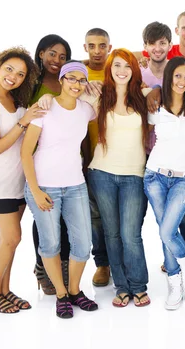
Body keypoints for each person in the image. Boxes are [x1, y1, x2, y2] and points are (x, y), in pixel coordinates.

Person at [22, 61, 98, 319]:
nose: (76, 84)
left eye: (81, 80)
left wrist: (94, 87)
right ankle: (61, 294)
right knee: (51, 243)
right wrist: (35, 190)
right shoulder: (45, 108)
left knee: (82, 244)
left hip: (75, 185)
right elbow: (26, 152)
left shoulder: (86, 110)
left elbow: (105, 98)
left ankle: (75, 290)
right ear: (62, 80)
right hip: (44, 186)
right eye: (71, 79)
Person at [0, 47, 43, 313]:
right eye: (9, 69)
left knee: (9, 240)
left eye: (20, 74)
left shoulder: (15, 99)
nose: (13, 76)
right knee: (11, 237)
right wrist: (24, 122)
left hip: (18, 181)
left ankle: (4, 290)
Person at [85, 49, 151, 307]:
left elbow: (172, 93)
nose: (122, 70)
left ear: (135, 69)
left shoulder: (144, 96)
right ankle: (121, 286)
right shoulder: (98, 96)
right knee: (112, 233)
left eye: (128, 66)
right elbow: (69, 106)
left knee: (130, 234)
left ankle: (138, 285)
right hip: (101, 173)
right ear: (109, 70)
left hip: (134, 175)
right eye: (117, 66)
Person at [144, 56, 185, 309]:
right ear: (168, 78)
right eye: (177, 76)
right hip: (155, 175)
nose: (182, 81)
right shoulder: (156, 105)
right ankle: (174, 284)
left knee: (168, 231)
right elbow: (147, 136)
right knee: (164, 231)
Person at [82, 28, 113, 287]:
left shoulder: (118, 71)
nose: (97, 51)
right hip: (88, 159)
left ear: (109, 47)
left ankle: (121, 260)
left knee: (122, 216)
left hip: (118, 158)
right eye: (92, 46)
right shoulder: (77, 75)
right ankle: (102, 263)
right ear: (85, 48)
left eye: (102, 46)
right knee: (96, 216)